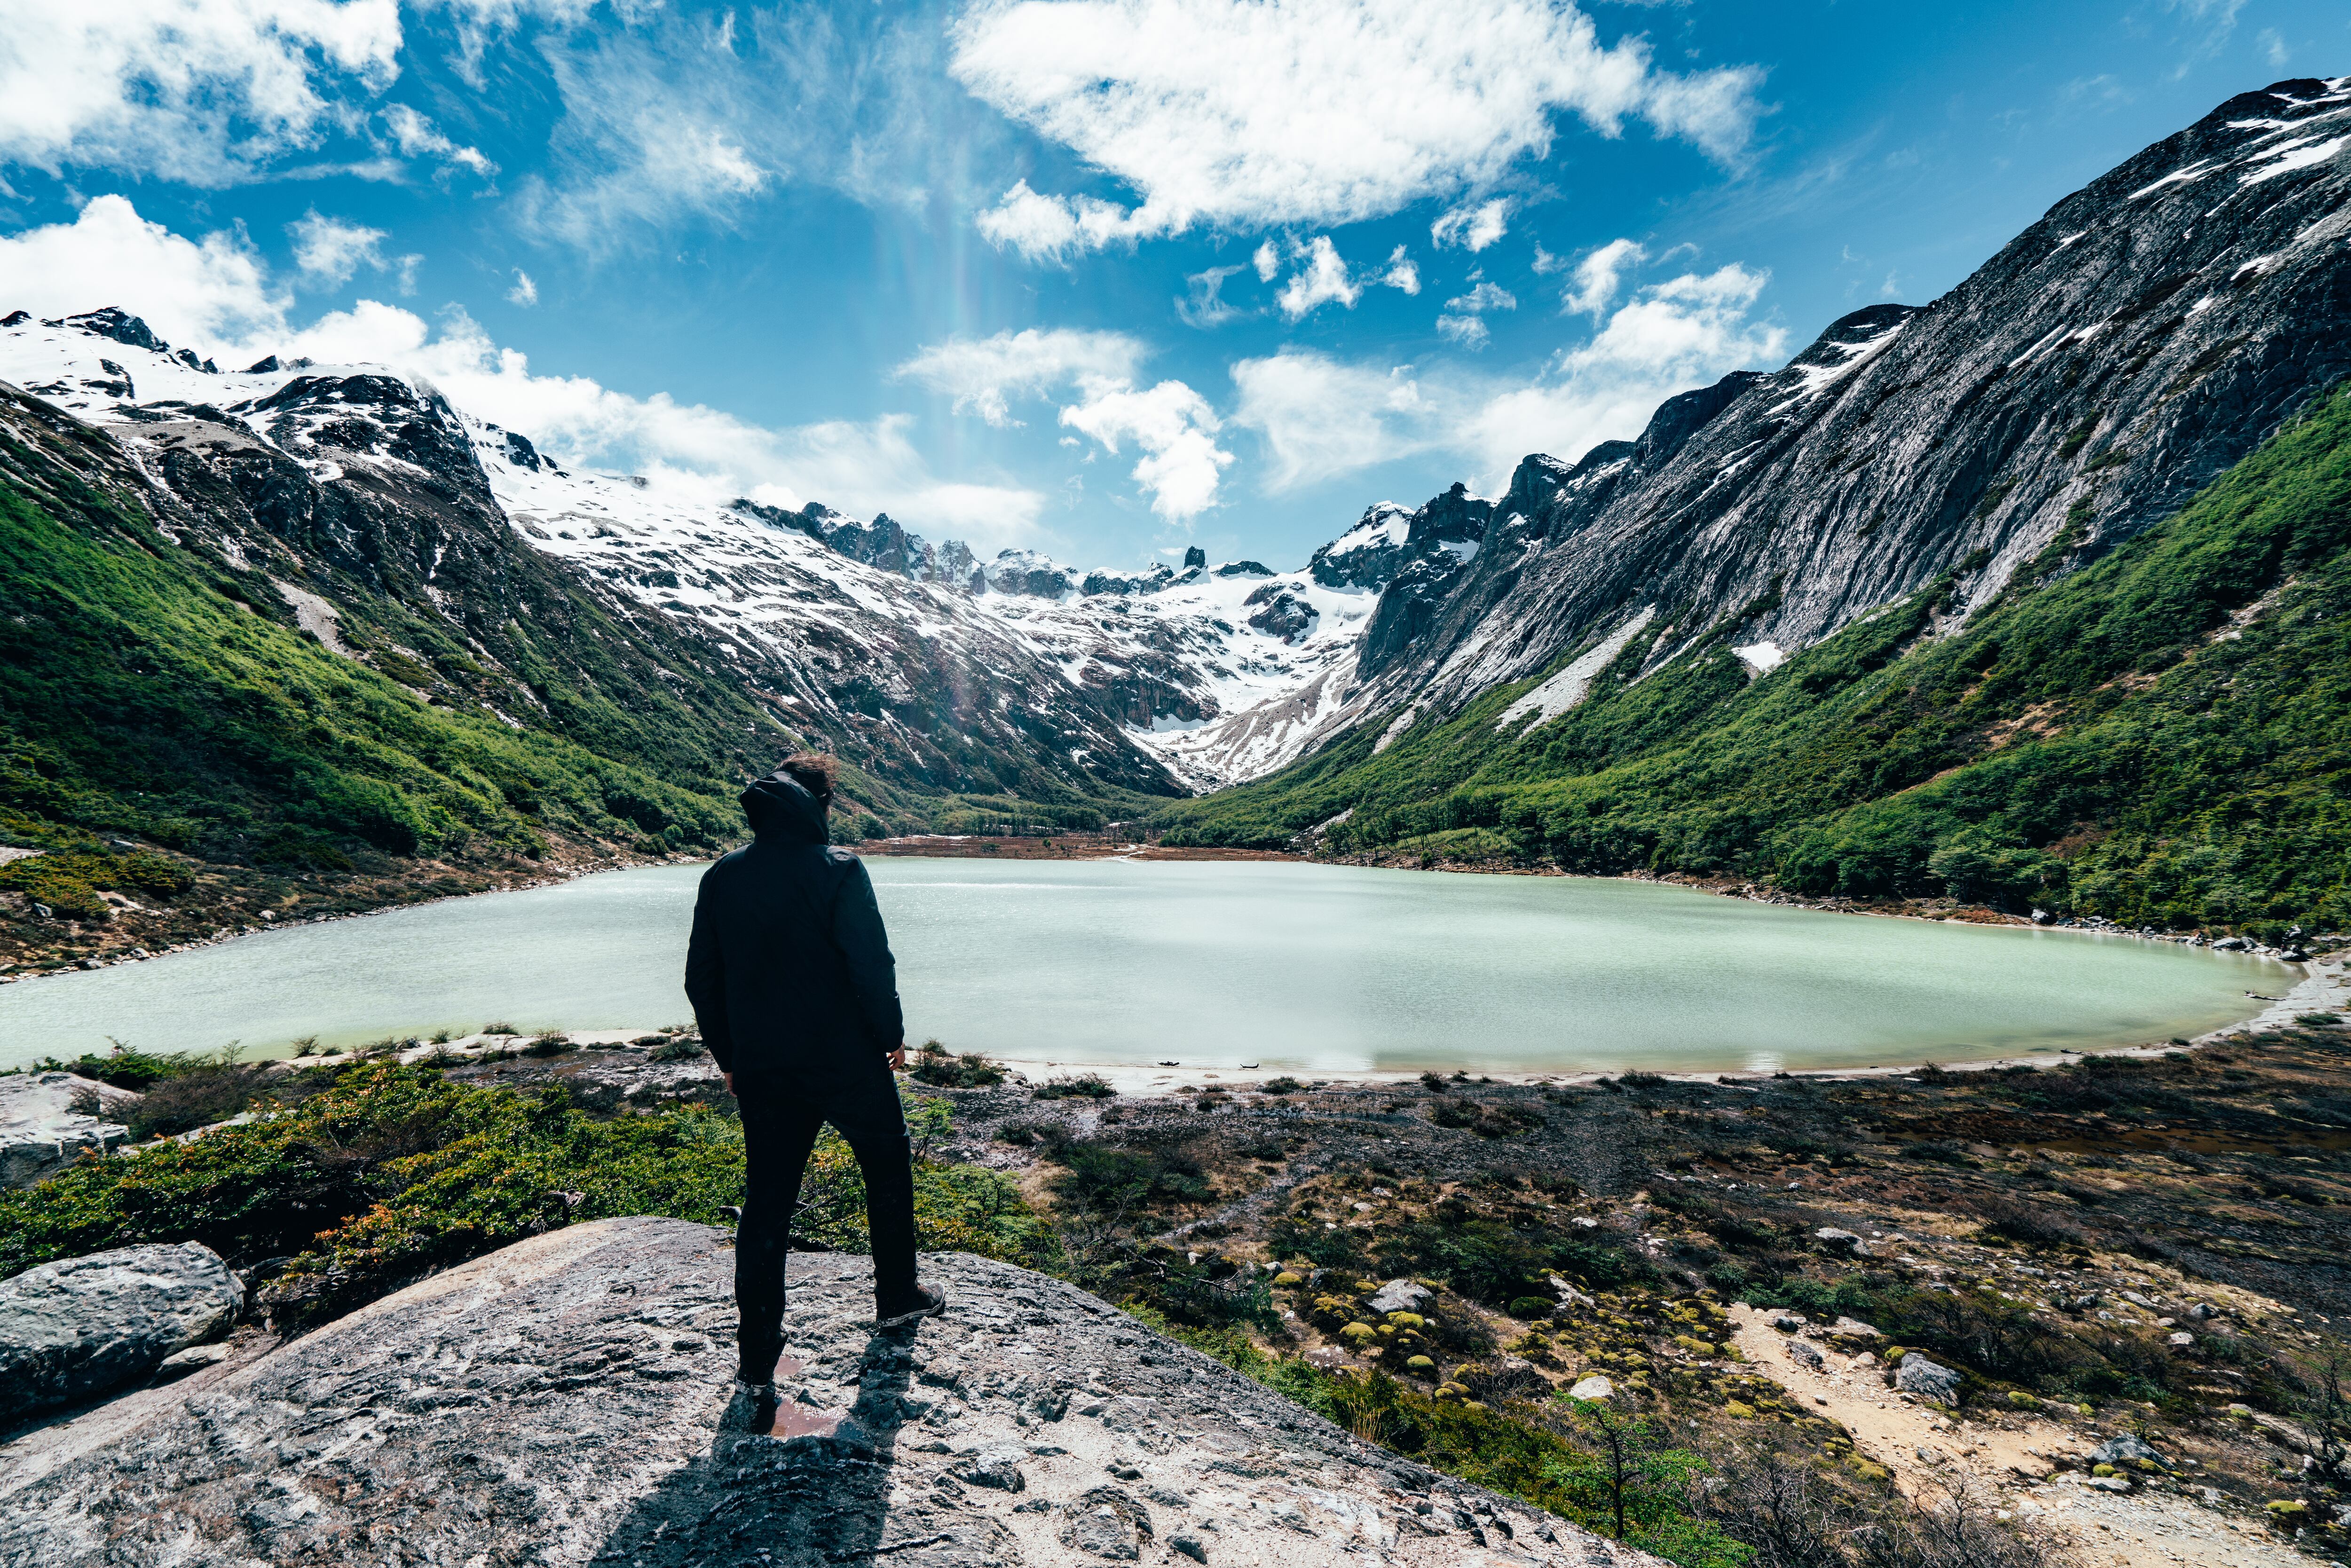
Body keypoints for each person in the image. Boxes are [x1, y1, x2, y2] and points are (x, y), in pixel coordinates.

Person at [684, 752, 944, 1416]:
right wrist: (890, 1033)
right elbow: (870, 962)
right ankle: (896, 1299)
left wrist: (729, 1056)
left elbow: (701, 980)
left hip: (766, 1067)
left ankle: (755, 1365)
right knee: (886, 1164)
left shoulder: (723, 878)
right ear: (819, 806)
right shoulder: (841, 870)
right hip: (846, 1060)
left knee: (767, 1206)